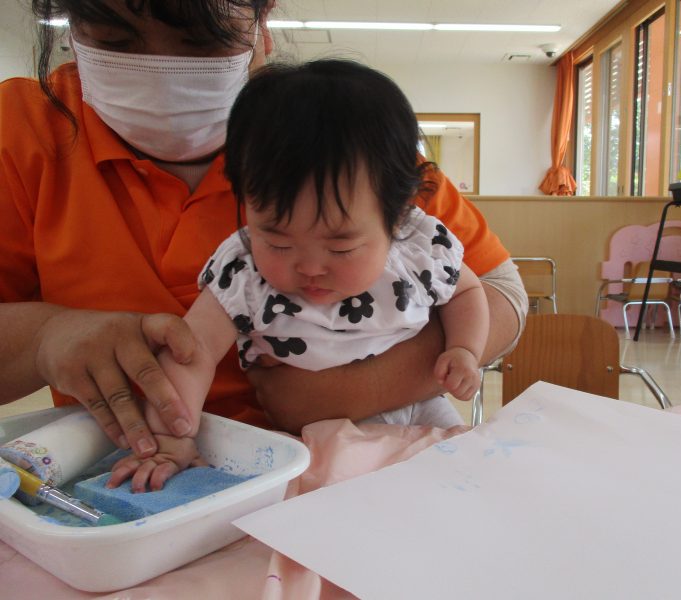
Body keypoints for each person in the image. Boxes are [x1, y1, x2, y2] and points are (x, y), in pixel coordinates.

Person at [0, 1, 527, 455]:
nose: (161, 69)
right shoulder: (22, 130)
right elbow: (196, 348)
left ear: (262, 18)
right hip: (153, 465)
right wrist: (46, 336)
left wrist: (345, 391)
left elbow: (497, 290)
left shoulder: (350, 149)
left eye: (201, 40)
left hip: (388, 441)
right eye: (115, 38)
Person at [109, 60, 489, 490]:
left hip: (420, 405)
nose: (309, 267)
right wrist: (171, 438)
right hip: (310, 433)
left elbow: (468, 292)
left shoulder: (417, 248)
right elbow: (190, 351)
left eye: (341, 246)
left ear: (397, 213)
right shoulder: (244, 271)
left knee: (459, 483)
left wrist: (464, 349)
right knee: (326, 508)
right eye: (278, 241)